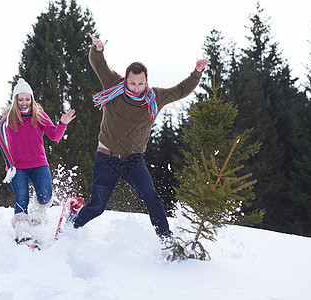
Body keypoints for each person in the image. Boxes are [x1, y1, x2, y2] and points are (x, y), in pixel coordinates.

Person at [72, 33, 209, 240]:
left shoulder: (156, 97)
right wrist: (97, 50)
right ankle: (71, 226)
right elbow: (99, 65)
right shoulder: (113, 85)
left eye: (140, 84)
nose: (136, 88)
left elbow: (181, 90)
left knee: (151, 197)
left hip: (133, 160)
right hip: (106, 158)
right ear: (125, 79)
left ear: (146, 81)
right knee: (97, 207)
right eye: (132, 83)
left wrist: (196, 73)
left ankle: (166, 239)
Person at [0, 78, 76, 244]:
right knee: (21, 198)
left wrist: (62, 123)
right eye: (20, 99)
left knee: (45, 195)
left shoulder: (39, 116)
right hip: (17, 168)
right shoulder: (7, 121)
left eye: (27, 99)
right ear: (15, 100)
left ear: (32, 99)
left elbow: (55, 135)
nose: (24, 103)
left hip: (39, 164)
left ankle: (38, 211)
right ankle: (22, 230)